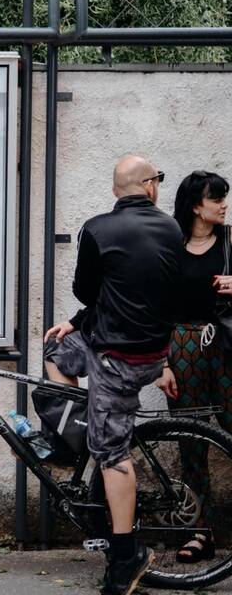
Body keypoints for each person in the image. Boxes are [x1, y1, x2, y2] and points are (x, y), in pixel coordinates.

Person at [43, 155, 182, 595]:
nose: (159, 185)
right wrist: (78, 323)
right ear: (148, 186)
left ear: (117, 190)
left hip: (117, 360)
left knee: (113, 455)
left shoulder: (98, 228)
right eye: (157, 179)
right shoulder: (171, 229)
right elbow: (122, 295)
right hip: (145, 350)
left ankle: (127, 556)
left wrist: (87, 314)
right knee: (57, 350)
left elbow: (87, 287)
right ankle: (80, 441)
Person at [154, 170, 232, 563]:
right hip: (181, 348)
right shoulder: (170, 244)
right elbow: (156, 307)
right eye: (215, 197)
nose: (223, 203)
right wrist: (160, 364)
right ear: (195, 205)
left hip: (227, 347)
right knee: (191, 441)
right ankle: (199, 532)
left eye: (224, 196)